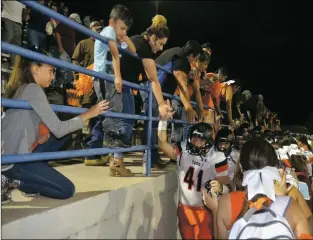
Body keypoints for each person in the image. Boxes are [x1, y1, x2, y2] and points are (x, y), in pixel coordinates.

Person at [1, 46, 109, 202]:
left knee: (64, 131)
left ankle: (20, 179)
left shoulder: (20, 88)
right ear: (35, 69)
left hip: (11, 156)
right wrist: (88, 114)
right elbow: (58, 129)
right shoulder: (33, 89)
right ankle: (16, 181)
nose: (53, 77)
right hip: (14, 162)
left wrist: (39, 134)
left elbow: (24, 123)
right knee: (66, 190)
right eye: (51, 71)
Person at [203, 138, 312, 239]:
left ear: (241, 167)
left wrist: (215, 210)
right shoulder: (291, 204)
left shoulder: (225, 202)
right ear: (274, 166)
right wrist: (281, 200)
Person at [158, 114, 231, 239]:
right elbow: (162, 144)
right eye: (194, 138)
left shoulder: (217, 158)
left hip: (205, 209)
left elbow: (227, 186)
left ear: (208, 142)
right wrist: (163, 121)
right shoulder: (183, 149)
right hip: (184, 208)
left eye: (200, 139)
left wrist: (220, 188)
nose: (195, 142)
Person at [119, 15, 174, 170]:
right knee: (125, 121)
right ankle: (115, 160)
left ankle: (114, 158)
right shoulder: (144, 47)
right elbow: (153, 79)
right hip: (118, 83)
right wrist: (162, 104)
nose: (161, 48)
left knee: (125, 120)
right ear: (153, 38)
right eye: (161, 44)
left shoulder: (138, 40)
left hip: (122, 83)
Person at [93, 5, 136, 176]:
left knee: (116, 114)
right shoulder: (108, 31)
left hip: (108, 76)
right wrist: (118, 76)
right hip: (106, 76)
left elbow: (132, 50)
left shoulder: (115, 35)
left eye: (126, 29)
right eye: (122, 27)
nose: (123, 32)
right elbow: (115, 55)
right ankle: (115, 159)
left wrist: (123, 34)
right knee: (114, 115)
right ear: (112, 22)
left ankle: (115, 161)